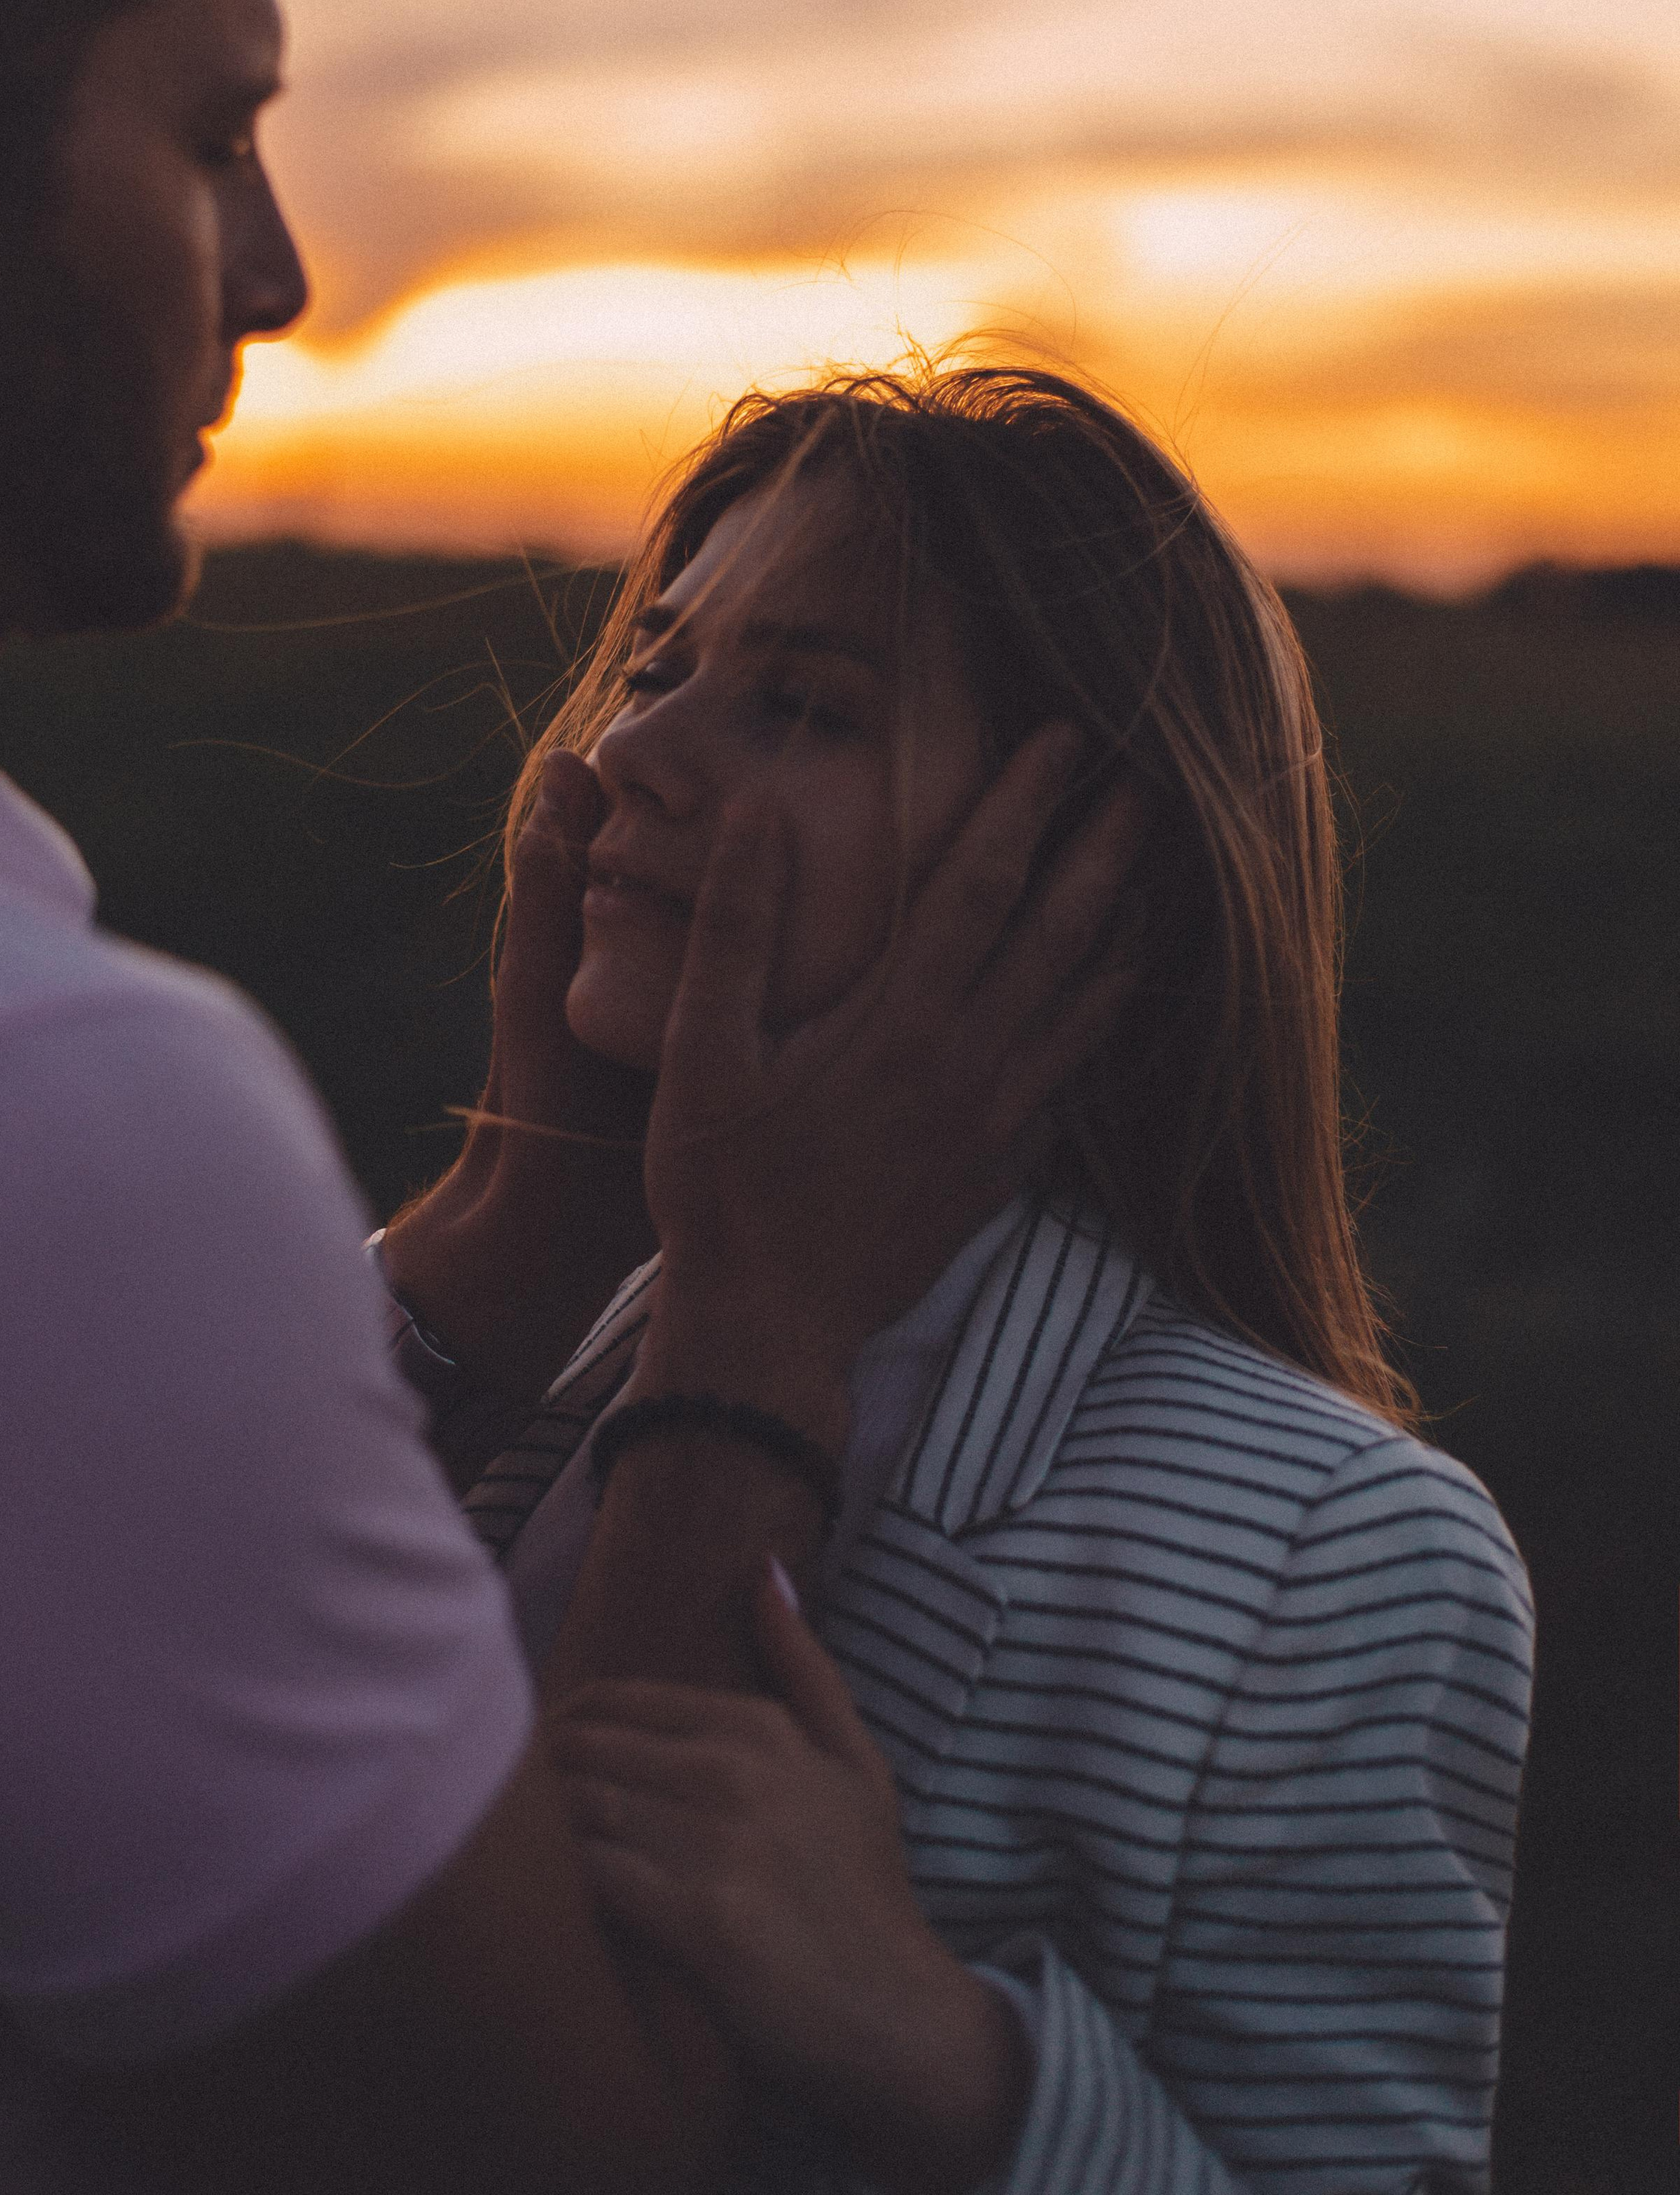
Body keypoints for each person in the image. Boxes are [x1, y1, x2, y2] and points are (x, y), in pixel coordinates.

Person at [0, 0, 1141, 2191]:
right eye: (210, 136)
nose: (277, 272)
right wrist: (752, 1314)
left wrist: (526, 1208)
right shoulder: (5, 1116)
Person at [378, 367, 1536, 2195]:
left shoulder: (1330, 1548)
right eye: (657, 668)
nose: (623, 760)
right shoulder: (550, 1349)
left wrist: (946, 2053)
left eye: (801, 708)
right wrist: (519, 1203)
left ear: (1084, 870)